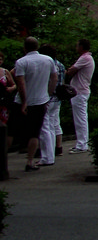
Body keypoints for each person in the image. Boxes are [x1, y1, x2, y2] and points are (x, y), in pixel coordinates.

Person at [13, 37, 58, 172]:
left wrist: (24, 101)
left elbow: (21, 84)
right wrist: (48, 94)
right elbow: (54, 78)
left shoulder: (21, 62)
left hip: (22, 101)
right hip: (41, 100)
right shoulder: (48, 60)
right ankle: (30, 161)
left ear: (25, 48)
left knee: (12, 130)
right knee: (35, 132)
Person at [64, 38, 96, 154]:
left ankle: (82, 144)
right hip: (82, 91)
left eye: (77, 45)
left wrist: (67, 71)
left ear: (82, 47)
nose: (76, 47)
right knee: (81, 118)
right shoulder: (88, 58)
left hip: (80, 91)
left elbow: (71, 71)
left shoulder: (85, 58)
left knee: (80, 119)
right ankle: (82, 143)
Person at [38, 44, 66, 165]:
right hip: (57, 98)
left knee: (45, 127)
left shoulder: (47, 65)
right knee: (54, 125)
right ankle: (54, 149)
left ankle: (47, 154)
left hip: (48, 97)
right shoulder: (60, 65)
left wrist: (48, 94)